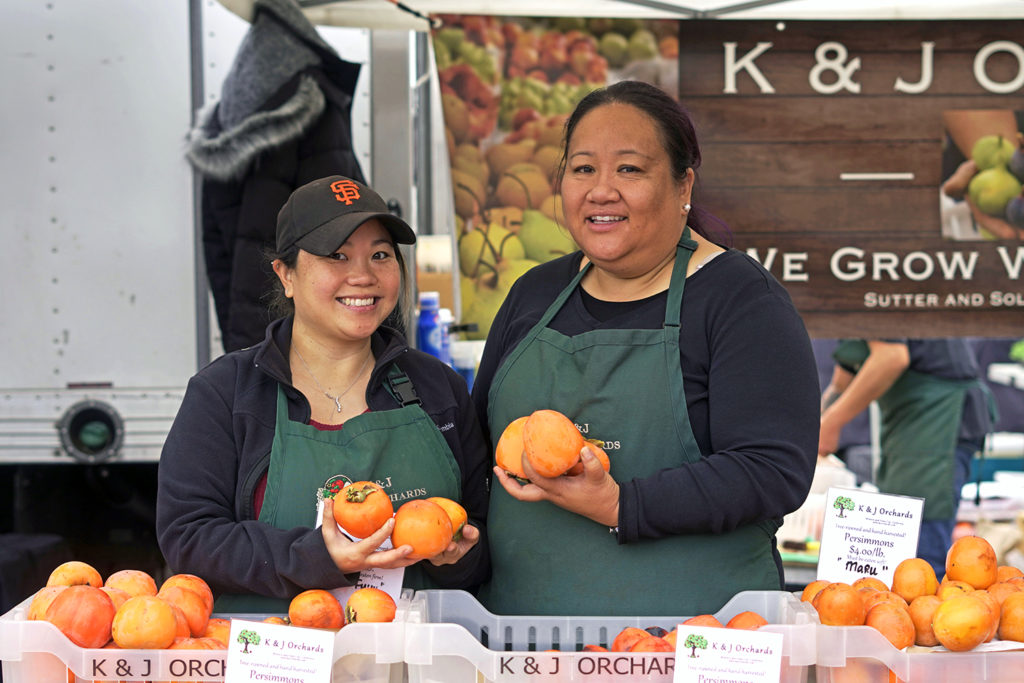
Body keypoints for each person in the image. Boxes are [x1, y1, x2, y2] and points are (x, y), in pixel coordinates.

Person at [470, 80, 820, 617]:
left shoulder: (739, 299)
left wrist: (619, 504)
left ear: (684, 184)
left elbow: (772, 468)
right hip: (524, 645)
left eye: (629, 169)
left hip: (696, 642)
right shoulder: (534, 294)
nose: (601, 190)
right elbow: (476, 452)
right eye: (583, 168)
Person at [156, 176, 489, 612]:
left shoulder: (436, 388)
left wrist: (459, 557)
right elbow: (189, 538)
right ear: (286, 274)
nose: (363, 275)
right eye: (337, 256)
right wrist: (316, 556)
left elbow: (484, 536)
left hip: (412, 662)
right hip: (275, 663)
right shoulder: (226, 393)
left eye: (380, 254)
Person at [819, 339, 995, 577]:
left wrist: (832, 422)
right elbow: (845, 372)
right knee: (899, 546)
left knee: (918, 549)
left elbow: (891, 356)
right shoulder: (851, 309)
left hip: (935, 421)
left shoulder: (880, 301)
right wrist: (823, 412)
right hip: (910, 425)